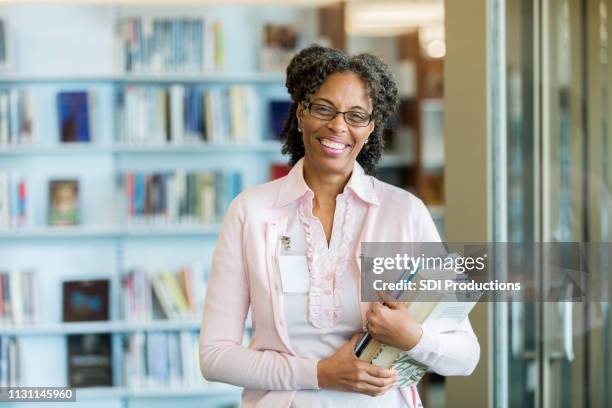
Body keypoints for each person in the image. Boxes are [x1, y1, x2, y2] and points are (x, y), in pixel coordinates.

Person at [199, 44, 480, 408]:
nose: (338, 125)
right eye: (323, 108)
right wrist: (320, 373)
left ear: (371, 128)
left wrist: (414, 337)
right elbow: (214, 356)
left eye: (356, 115)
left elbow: (465, 355)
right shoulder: (251, 212)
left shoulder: (405, 212)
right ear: (301, 113)